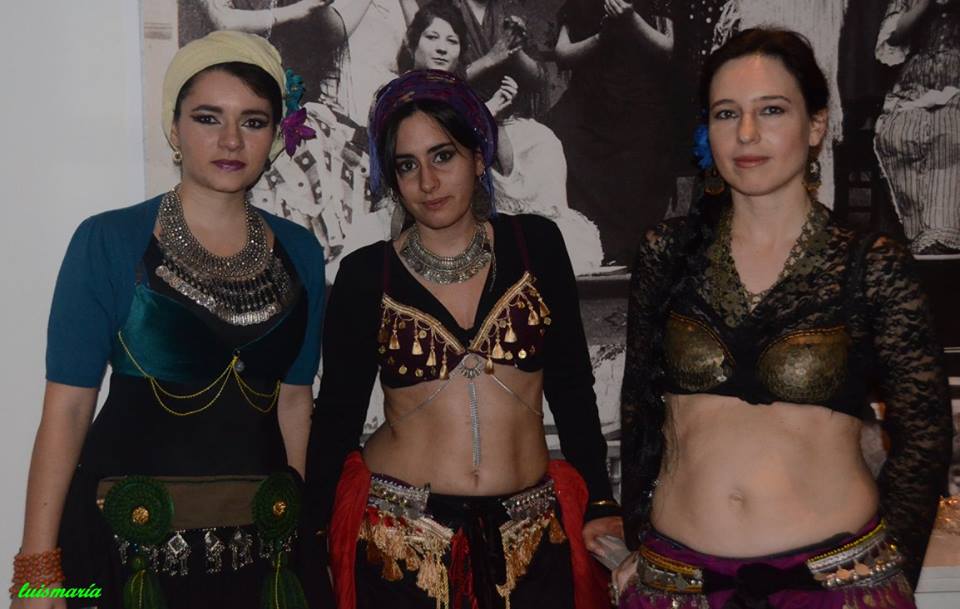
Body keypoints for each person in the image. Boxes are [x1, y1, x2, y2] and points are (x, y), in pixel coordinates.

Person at [613, 28, 952, 609]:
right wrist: (638, 540)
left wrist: (889, 569)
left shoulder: (870, 264)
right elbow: (640, 412)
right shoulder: (666, 253)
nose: (747, 133)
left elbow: (925, 434)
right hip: (678, 585)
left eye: (771, 110)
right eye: (726, 113)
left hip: (835, 587)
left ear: (816, 125)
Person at [11, 31, 326, 609]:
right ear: (174, 128)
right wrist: (37, 568)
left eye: (253, 122)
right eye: (208, 118)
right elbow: (68, 409)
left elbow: (294, 403)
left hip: (260, 552)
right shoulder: (108, 240)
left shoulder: (301, 251)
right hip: (121, 547)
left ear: (275, 135)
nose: (231, 140)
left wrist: (299, 542)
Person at [303, 69, 619, 609]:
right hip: (400, 545)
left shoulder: (536, 245)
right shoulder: (366, 274)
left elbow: (571, 386)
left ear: (478, 157)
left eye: (443, 156)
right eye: (407, 165)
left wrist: (602, 500)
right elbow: (337, 415)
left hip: (532, 540)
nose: (427, 182)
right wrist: (313, 542)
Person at [396, 1, 604, 274]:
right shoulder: (446, 12)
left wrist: (514, 51)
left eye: (451, 41)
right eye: (433, 38)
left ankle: (542, 234)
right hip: (462, 131)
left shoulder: (505, 14)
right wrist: (492, 66)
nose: (442, 47)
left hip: (500, 119)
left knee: (545, 142)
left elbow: (538, 78)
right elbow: (441, 90)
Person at [548, 0, 674, 267]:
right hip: (589, 99)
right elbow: (563, 53)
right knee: (555, 133)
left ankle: (632, 248)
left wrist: (631, 19)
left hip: (640, 99)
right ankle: (593, 246)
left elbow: (668, 46)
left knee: (649, 147)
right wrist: (600, 38)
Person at [874, 0, 960, 255]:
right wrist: (924, 4)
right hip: (915, 85)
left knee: (949, 134)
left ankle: (944, 233)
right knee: (900, 134)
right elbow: (895, 37)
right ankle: (919, 235)